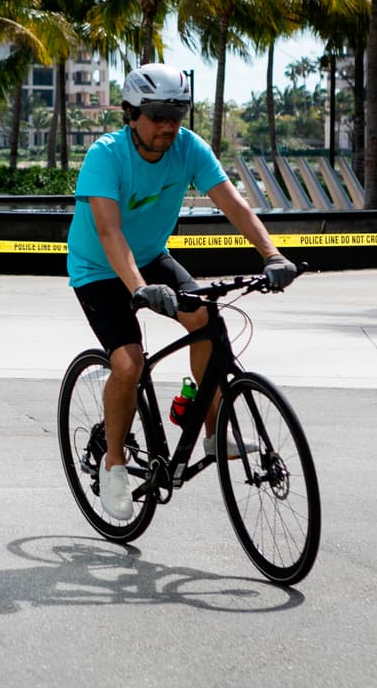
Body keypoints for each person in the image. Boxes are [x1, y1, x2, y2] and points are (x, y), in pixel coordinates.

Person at [67, 63, 296, 521]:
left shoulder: (189, 148)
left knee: (207, 320)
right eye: (157, 115)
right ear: (132, 114)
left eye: (176, 114)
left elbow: (233, 202)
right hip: (98, 268)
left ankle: (212, 431)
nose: (168, 125)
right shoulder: (106, 155)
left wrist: (271, 255)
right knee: (128, 362)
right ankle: (114, 465)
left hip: (151, 255)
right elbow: (110, 233)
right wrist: (140, 289)